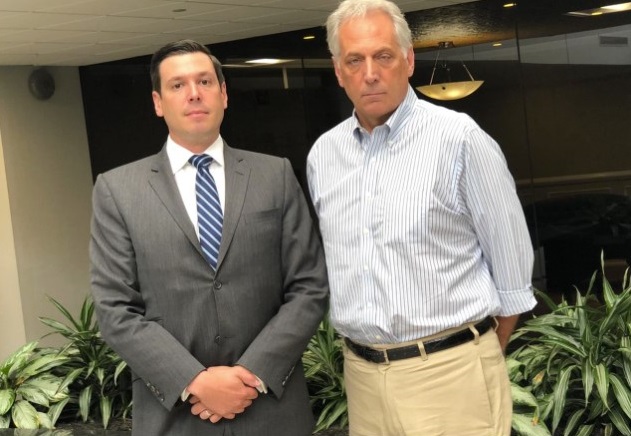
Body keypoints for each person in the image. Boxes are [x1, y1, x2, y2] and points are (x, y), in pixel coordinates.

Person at [306, 1, 537, 435]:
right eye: (354, 60)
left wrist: (469, 354)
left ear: (409, 60)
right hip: (362, 378)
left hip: (451, 376)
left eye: (384, 56)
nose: (369, 72)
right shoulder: (324, 155)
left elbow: (513, 276)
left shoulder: (460, 140)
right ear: (338, 71)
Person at [90, 39, 328, 436]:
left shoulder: (275, 176)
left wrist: (250, 375)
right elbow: (115, 309)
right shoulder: (117, 190)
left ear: (224, 94)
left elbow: (309, 288)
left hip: (271, 410)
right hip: (176, 416)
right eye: (178, 85)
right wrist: (196, 381)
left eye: (204, 81)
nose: (194, 93)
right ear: (158, 102)